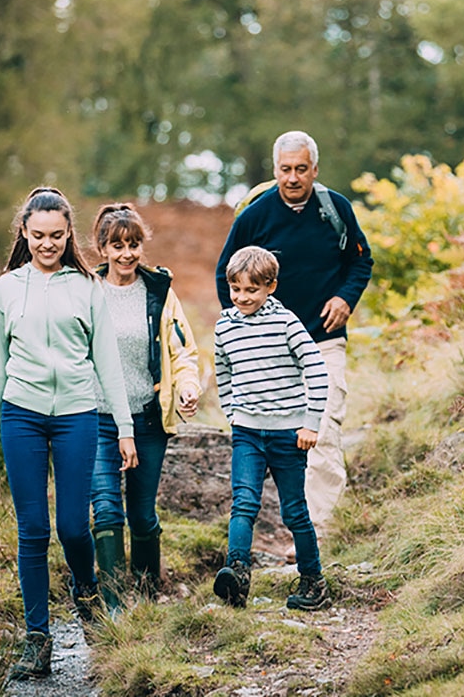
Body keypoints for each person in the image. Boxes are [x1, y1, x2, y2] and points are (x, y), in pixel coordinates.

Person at [0, 187, 138, 682]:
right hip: (20, 415)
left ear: (69, 235)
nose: (47, 244)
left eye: (57, 235)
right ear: (24, 233)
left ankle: (85, 587)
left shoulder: (87, 287)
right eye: (38, 235)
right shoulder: (5, 290)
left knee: (72, 526)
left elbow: (107, 364)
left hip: (77, 414)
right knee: (33, 531)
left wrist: (126, 430)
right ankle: (37, 638)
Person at [214, 130, 374, 526]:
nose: (293, 178)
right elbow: (225, 276)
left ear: (315, 170)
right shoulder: (255, 217)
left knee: (322, 428)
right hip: (272, 349)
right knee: (284, 439)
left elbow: (361, 260)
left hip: (324, 340)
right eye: (285, 169)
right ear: (275, 170)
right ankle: (294, 526)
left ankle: (320, 533)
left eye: (301, 169)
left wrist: (344, 299)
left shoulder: (335, 209)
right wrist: (244, 328)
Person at [88, 202, 201, 609]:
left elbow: (183, 351)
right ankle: (117, 608)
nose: (126, 254)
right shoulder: (86, 291)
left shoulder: (159, 293)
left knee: (141, 514)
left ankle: (149, 598)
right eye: (117, 245)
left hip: (147, 420)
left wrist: (188, 387)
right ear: (102, 248)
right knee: (105, 510)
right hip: (96, 420)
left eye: (133, 244)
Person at [212, 245, 331, 610]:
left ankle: (314, 581)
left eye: (251, 290)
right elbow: (223, 370)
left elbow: (317, 368)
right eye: (236, 289)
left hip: (288, 433)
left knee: (293, 510)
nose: (242, 297)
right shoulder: (224, 326)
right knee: (243, 503)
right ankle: (237, 574)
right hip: (247, 432)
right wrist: (232, 410)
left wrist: (310, 424)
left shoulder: (287, 323)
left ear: (271, 287)